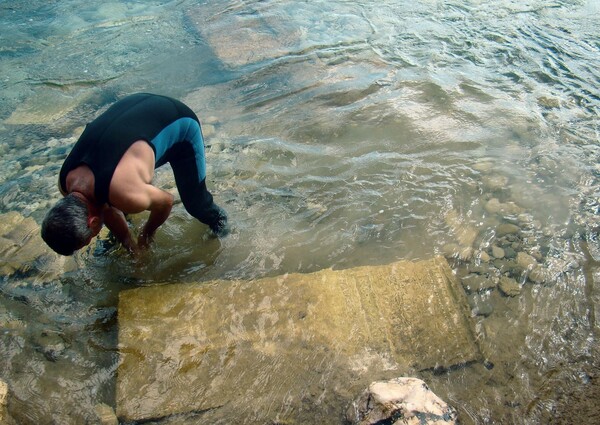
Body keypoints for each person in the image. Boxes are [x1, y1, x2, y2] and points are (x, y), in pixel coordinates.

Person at [41, 93, 228, 256]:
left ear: (93, 221)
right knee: (117, 202)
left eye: (89, 238)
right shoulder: (65, 182)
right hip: (136, 105)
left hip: (178, 120)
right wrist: (129, 245)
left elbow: (165, 201)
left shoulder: (125, 193)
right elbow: (106, 209)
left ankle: (226, 230)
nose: (92, 238)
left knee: (197, 205)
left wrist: (146, 234)